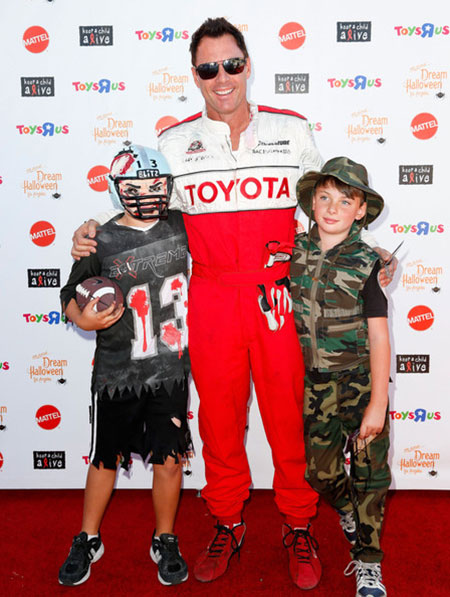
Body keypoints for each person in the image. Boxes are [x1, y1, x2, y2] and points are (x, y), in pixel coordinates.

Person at [70, 18, 395, 590]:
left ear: (248, 65)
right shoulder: (174, 143)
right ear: (195, 75)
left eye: (232, 64)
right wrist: (90, 232)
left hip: (277, 296)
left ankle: (299, 524)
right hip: (211, 295)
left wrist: (368, 257)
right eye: (208, 68)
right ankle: (226, 521)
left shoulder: (292, 129)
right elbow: (143, 210)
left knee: (289, 421)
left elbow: (328, 208)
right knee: (220, 423)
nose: (222, 77)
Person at [58, 144, 191, 587]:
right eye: (134, 187)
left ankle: (165, 536)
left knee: (169, 460)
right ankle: (88, 536)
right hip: (117, 371)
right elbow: (70, 294)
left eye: (155, 185)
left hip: (170, 368)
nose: (146, 195)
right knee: (104, 459)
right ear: (117, 189)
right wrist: (81, 318)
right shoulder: (101, 238)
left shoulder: (183, 224)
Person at [291, 157, 391, 597]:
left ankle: (368, 561)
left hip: (362, 384)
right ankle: (347, 509)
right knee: (319, 474)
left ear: (361, 210)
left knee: (370, 476)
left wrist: (378, 403)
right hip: (317, 386)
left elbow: (379, 335)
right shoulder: (294, 252)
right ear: (312, 203)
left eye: (345, 201)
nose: (333, 208)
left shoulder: (368, 262)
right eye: (325, 198)